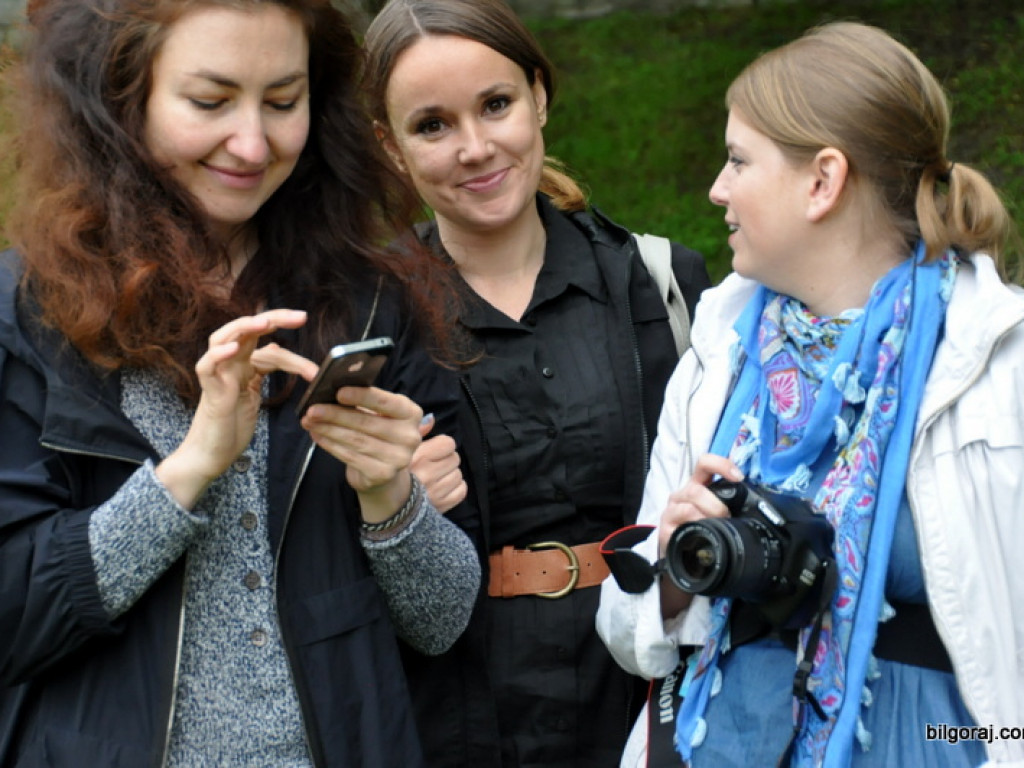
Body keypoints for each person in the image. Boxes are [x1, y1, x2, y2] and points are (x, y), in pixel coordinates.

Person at [0, 0, 481, 765]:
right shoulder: (28, 315)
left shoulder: (371, 301)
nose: (254, 143)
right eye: (210, 101)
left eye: (284, 102)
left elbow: (443, 620)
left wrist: (391, 498)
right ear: (122, 98)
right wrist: (188, 472)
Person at [596, 20, 1024, 768]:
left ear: (823, 181)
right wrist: (669, 565)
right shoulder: (716, 354)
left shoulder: (996, 359)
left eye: (737, 161)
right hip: (719, 743)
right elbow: (628, 630)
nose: (716, 188)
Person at [362, 1, 712, 766]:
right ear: (390, 147)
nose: (476, 148)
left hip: (647, 705)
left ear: (539, 96)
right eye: (433, 125)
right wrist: (388, 502)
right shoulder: (363, 320)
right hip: (454, 720)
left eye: (496, 105)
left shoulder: (663, 286)